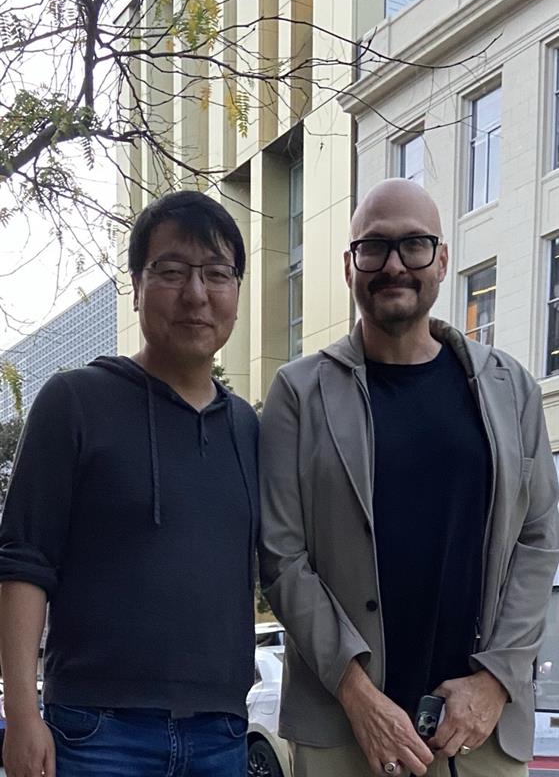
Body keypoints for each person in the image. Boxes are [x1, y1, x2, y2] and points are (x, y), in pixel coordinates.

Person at [259, 178, 559, 777]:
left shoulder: (511, 388)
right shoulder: (299, 392)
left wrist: (496, 680)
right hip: (343, 729)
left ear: (442, 259)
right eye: (374, 248)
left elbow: (538, 538)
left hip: (480, 733)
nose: (394, 265)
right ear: (350, 266)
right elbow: (281, 555)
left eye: (414, 245)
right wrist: (357, 692)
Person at [0, 191, 259, 777]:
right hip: (95, 731)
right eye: (172, 271)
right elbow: (23, 562)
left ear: (236, 293)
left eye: (217, 274)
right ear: (138, 286)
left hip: (220, 734)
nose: (196, 294)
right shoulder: (74, 402)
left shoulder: (248, 427)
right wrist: (22, 710)